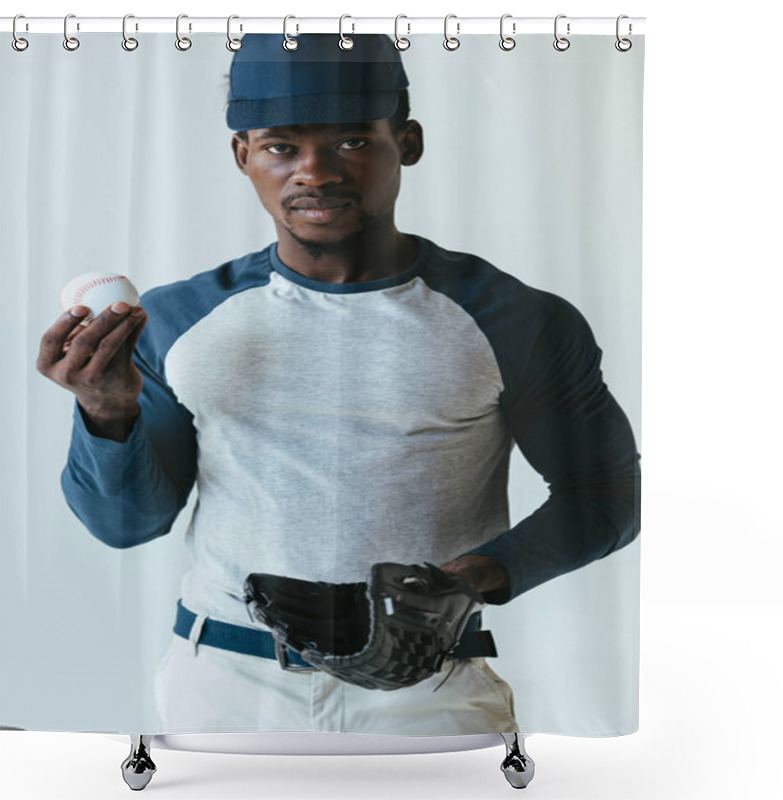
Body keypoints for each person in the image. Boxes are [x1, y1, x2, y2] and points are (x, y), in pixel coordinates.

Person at [37, 33, 641, 736]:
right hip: (227, 686)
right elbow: (126, 525)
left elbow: (606, 499)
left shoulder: (514, 320)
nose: (314, 172)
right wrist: (106, 412)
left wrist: (472, 578)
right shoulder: (179, 319)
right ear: (243, 155)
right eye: (281, 147)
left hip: (429, 687)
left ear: (407, 142)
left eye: (352, 141)